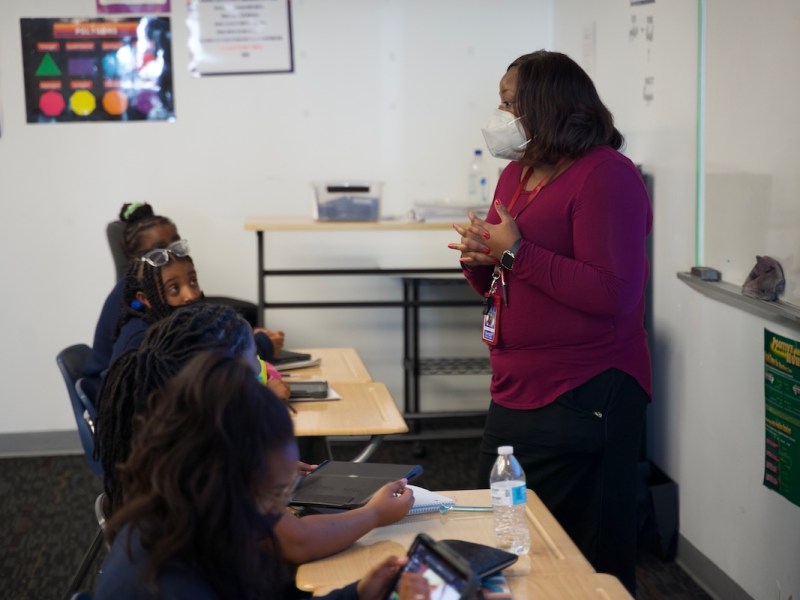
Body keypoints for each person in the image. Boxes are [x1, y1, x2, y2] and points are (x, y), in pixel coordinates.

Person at [448, 50, 652, 595]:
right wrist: (481, 261)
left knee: (583, 553)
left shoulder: (607, 175)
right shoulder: (516, 173)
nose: (499, 113)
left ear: (546, 106)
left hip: (586, 388)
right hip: (516, 384)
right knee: (510, 540)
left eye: (510, 103)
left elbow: (615, 292)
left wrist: (513, 254)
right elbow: (508, 277)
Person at [93, 351, 430, 600]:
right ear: (222, 481)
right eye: (275, 495)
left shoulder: (191, 523)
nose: (281, 512)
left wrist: (358, 594)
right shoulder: (173, 583)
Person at [94, 303, 414, 564]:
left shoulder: (170, 447)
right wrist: (374, 514)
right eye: (255, 366)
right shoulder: (205, 471)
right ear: (223, 381)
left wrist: (267, 478)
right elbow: (296, 542)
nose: (263, 375)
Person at [82, 202, 285, 380]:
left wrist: (242, 336)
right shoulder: (140, 334)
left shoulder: (165, 315)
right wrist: (258, 346)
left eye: (175, 243)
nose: (171, 254)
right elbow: (197, 368)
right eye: (160, 249)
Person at [110, 239, 202, 363]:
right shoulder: (141, 339)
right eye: (174, 289)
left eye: (192, 281)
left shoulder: (182, 323)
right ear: (145, 299)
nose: (190, 295)